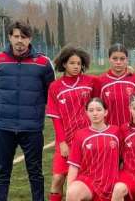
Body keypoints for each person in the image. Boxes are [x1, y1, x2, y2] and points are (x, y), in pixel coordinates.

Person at [0, 21, 55, 201]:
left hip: (31, 128)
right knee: (2, 172)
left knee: (35, 173)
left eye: (23, 37)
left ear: (30, 39)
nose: (19, 41)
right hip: (3, 126)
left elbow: (50, 93)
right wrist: (4, 106)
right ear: (10, 37)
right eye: (16, 36)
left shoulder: (43, 63)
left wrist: (33, 109)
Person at [46, 46, 96, 201]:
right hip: (66, 141)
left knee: (84, 181)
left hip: (87, 140)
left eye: (79, 63)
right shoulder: (55, 86)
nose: (76, 66)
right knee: (58, 178)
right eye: (72, 63)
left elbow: (111, 78)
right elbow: (56, 117)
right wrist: (62, 142)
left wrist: (128, 69)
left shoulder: (91, 82)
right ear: (64, 64)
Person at [66, 98, 120, 201]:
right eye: (91, 110)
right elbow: (74, 165)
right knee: (73, 193)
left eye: (99, 110)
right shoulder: (80, 135)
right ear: (86, 113)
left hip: (111, 182)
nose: (95, 113)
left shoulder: (116, 131)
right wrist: (69, 191)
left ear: (106, 112)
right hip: (89, 181)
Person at [95, 44, 135, 126]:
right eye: (115, 58)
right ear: (109, 59)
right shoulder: (100, 81)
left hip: (132, 129)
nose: (118, 62)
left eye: (122, 59)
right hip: (110, 130)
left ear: (127, 60)